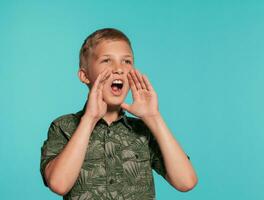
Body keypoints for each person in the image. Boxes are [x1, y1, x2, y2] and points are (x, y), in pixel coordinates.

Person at [40, 28, 198, 199]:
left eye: (127, 61)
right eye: (107, 60)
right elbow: (58, 184)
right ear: (85, 76)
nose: (119, 69)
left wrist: (154, 117)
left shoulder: (143, 130)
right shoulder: (64, 126)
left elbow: (186, 182)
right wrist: (89, 120)